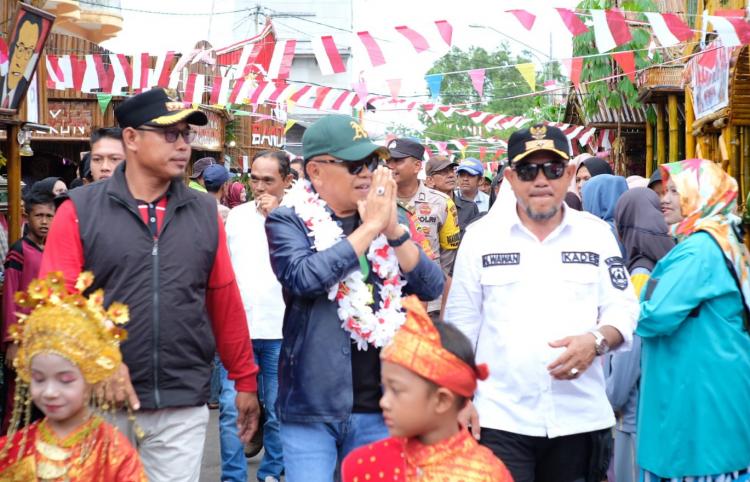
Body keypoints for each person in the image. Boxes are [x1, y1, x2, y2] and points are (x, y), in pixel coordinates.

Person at [38, 88, 260, 482]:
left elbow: (223, 300)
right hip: (99, 399)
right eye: (169, 134)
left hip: (182, 399)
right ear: (132, 139)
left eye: (186, 135)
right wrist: (101, 359)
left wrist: (245, 380)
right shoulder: (79, 210)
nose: (182, 146)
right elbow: (57, 302)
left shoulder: (206, 212)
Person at [445, 123, 639, 482]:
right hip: (499, 419)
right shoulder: (480, 238)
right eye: (527, 169)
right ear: (509, 177)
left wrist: (596, 341)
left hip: (579, 417)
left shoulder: (596, 235)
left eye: (552, 169)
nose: (540, 180)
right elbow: (460, 326)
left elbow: (623, 308)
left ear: (567, 174)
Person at [265, 115, 444, 482]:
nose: (366, 174)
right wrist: (370, 229)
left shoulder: (389, 219)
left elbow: (430, 286)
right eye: (353, 165)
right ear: (315, 171)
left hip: (380, 406)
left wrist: (393, 230)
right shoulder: (289, 220)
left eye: (372, 164)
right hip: (312, 406)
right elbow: (304, 278)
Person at [637, 159, 750, 481]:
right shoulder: (723, 238)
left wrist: (630, 302)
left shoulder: (698, 249)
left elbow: (654, 316)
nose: (664, 199)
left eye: (676, 190)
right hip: (714, 376)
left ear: (702, 195)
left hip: (699, 387)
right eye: (665, 191)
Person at [341, 296, 513, 482]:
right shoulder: (364, 465)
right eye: (385, 388)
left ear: (442, 400)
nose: (384, 401)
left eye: (397, 390)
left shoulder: (486, 475)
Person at [0, 272, 146, 481]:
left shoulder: (115, 454)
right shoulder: (14, 449)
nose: (50, 392)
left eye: (65, 380)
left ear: (92, 375)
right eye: (39, 379)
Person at [226, 150, 293, 482]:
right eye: (254, 179)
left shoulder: (300, 216)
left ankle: (270, 473)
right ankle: (233, 477)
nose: (260, 186)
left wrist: (279, 217)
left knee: (278, 410)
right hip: (238, 333)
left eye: (269, 180)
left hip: (282, 331)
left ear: (287, 181)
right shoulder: (235, 218)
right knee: (230, 411)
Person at [607, 188, 674, 482]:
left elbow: (628, 352)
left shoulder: (640, 276)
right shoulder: (671, 263)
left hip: (632, 419)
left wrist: (610, 399)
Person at [386, 138, 460, 319]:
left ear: (417, 165)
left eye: (398, 161)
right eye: (389, 161)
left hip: (429, 302)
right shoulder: (376, 198)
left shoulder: (441, 202)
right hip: (386, 300)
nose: (391, 166)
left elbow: (447, 258)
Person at [1, 190, 55, 431]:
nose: (44, 222)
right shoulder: (20, 250)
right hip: (23, 341)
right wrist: (12, 341)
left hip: (48, 340)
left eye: (49, 216)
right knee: (17, 405)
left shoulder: (54, 250)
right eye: (39, 216)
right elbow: (10, 295)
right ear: (27, 217)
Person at [425, 155, 479, 236]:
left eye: (452, 170)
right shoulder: (422, 209)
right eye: (443, 172)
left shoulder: (470, 207)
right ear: (430, 181)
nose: (451, 175)